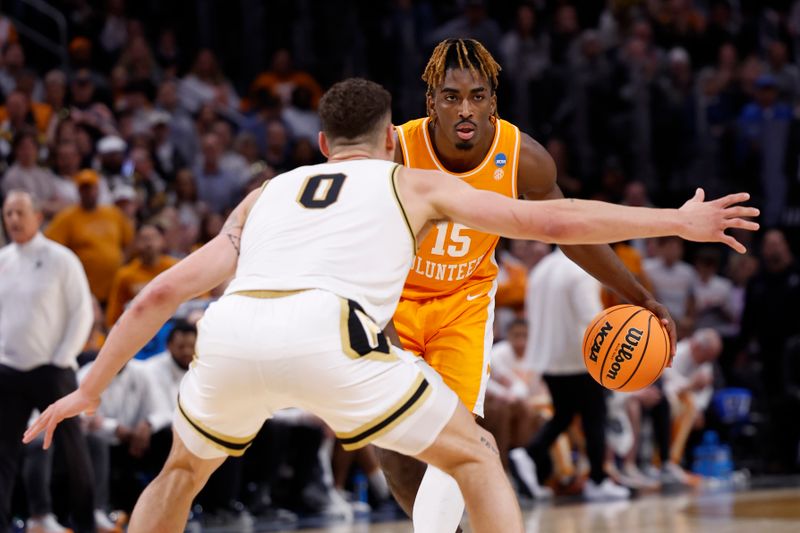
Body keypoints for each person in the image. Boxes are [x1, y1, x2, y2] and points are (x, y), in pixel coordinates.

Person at [24, 78, 757, 533]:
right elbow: (553, 223)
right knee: (475, 453)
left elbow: (159, 293)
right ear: (391, 141)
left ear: (319, 142)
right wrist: (673, 220)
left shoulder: (266, 192)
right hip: (327, 333)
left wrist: (91, 385)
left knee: (179, 474)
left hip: (232, 331)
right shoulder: (410, 184)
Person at [382, 37, 680, 531]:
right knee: (394, 448)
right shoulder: (394, 148)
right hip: (393, 302)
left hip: (463, 304)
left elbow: (571, 233)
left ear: (493, 103)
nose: (465, 108)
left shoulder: (524, 159)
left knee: (455, 439)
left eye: (477, 96)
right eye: (451, 96)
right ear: (430, 102)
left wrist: (639, 296)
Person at [0, 191, 96, 532]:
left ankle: (85, 521)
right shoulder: (3, 259)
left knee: (73, 450)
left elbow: (81, 312)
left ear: (38, 216)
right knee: (4, 451)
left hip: (52, 369)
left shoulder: (61, 258)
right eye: (8, 212)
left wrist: (61, 359)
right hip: (9, 370)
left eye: (20, 212)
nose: (13, 219)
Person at [523, 247, 630, 501]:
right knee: (595, 419)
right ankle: (598, 480)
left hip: (548, 360)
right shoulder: (581, 270)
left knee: (563, 415)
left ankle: (528, 454)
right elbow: (593, 320)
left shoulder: (540, 269)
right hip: (580, 359)